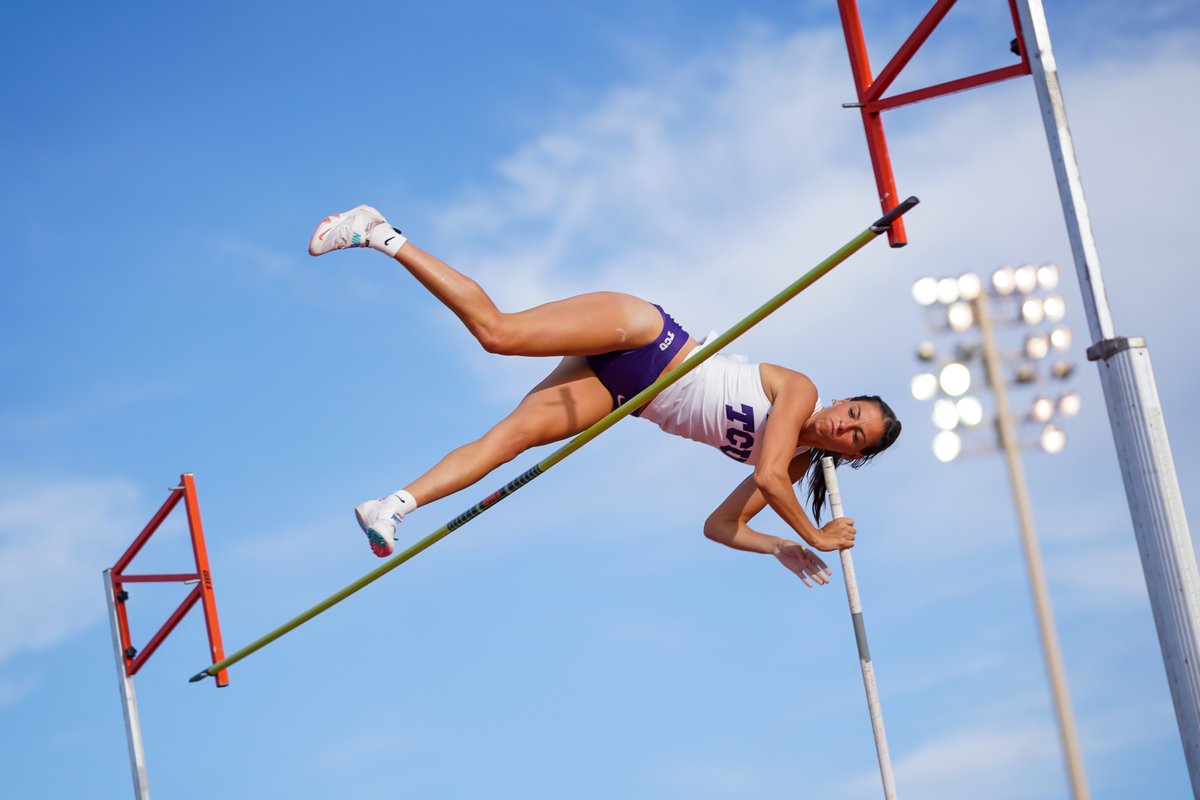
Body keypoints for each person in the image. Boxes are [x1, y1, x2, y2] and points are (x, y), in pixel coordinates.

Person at [308, 205, 901, 586]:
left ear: (851, 455)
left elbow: (719, 526)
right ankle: (377, 232)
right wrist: (815, 534)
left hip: (625, 394)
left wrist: (777, 546)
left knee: (506, 444)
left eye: (856, 436)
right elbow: (769, 479)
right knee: (499, 334)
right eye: (853, 413)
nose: (844, 426)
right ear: (841, 399)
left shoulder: (795, 464)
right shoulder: (802, 392)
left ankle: (392, 506)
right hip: (645, 337)